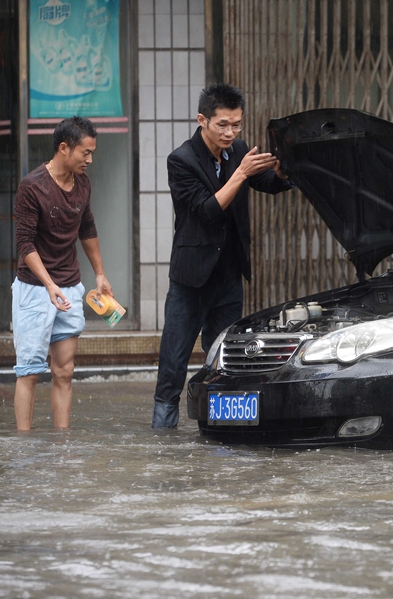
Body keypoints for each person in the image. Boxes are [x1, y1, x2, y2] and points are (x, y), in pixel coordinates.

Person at [151, 83, 293, 429]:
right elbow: (207, 210)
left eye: (237, 124)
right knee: (174, 360)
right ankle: (162, 436)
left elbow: (267, 183)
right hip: (191, 277)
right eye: (223, 125)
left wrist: (285, 172)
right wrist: (241, 172)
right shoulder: (181, 160)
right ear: (202, 120)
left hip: (229, 275)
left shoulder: (238, 150)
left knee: (226, 358)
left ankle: (222, 431)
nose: (231, 133)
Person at [12, 116, 114, 431]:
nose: (90, 160)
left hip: (70, 287)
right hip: (34, 289)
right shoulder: (33, 186)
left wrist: (100, 273)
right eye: (85, 153)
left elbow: (87, 227)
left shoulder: (83, 183)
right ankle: (24, 448)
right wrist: (48, 284)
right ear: (64, 148)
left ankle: (62, 445)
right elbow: (24, 244)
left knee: (64, 371)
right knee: (29, 372)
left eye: (92, 152)